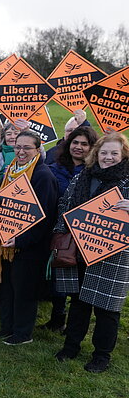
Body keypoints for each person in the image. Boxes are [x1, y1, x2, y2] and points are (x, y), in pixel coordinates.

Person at [53, 133, 129, 373]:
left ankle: (101, 355)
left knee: (107, 308)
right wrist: (62, 231)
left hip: (113, 254)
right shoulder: (83, 176)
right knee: (78, 302)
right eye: (104, 152)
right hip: (80, 249)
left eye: (114, 153)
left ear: (123, 155)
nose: (108, 157)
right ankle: (71, 346)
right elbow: (64, 204)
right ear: (96, 153)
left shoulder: (127, 181)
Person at [0, 130, 58, 345]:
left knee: (24, 290)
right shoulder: (11, 170)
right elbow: (5, 203)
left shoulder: (43, 176)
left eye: (27, 148)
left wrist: (21, 240)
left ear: (38, 150)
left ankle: (23, 333)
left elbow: (45, 217)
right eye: (18, 147)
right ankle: (7, 326)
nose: (21, 151)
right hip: (5, 239)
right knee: (7, 288)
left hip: (29, 246)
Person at [43, 126, 98, 332]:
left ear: (92, 147)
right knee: (59, 272)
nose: (78, 147)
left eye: (84, 144)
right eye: (75, 142)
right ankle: (57, 317)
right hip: (57, 229)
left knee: (79, 279)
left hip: (84, 232)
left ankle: (75, 324)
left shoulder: (95, 172)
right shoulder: (54, 167)